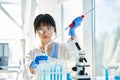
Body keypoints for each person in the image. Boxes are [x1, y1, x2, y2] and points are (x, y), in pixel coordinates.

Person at [25, 13, 83, 80]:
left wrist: (73, 34)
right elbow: (25, 74)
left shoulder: (62, 48)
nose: (45, 33)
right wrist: (33, 65)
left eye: (49, 28)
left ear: (54, 30)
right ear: (36, 31)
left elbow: (75, 59)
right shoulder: (32, 53)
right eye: (41, 29)